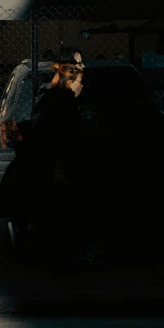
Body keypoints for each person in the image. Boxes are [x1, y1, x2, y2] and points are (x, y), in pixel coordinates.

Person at [30, 47, 106, 264]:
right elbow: (68, 139)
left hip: (60, 166)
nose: (83, 70)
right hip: (66, 167)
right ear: (69, 78)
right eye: (79, 65)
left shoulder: (54, 100)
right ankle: (75, 250)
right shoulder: (65, 104)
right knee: (75, 208)